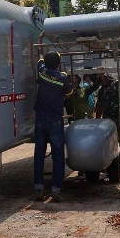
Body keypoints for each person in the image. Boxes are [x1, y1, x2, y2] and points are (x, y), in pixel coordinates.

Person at [33, 32, 73, 202]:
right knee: (58, 157)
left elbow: (39, 56)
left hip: (40, 121)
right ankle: (56, 191)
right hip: (55, 122)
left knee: (39, 156)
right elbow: (69, 94)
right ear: (58, 64)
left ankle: (39, 190)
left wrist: (40, 41)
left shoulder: (42, 73)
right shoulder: (62, 79)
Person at [95, 73, 120, 175]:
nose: (102, 80)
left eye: (103, 78)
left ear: (108, 78)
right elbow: (99, 105)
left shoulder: (117, 84)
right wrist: (98, 119)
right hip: (107, 120)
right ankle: (107, 166)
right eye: (101, 78)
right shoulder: (101, 90)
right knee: (107, 142)